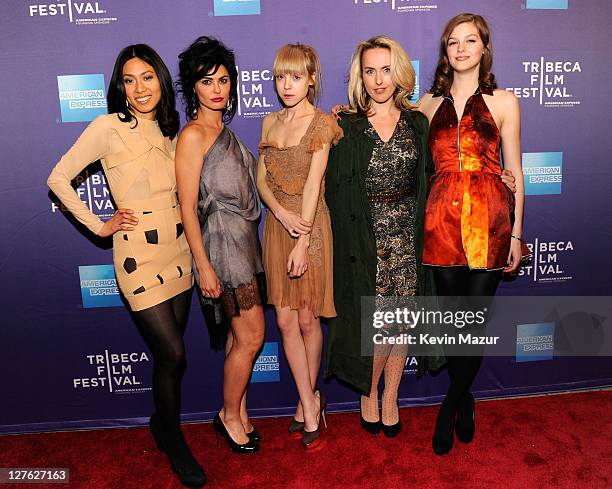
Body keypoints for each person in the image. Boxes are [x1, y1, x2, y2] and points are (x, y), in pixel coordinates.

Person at [47, 45, 206, 488]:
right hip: (138, 254)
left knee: (167, 361)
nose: (140, 88)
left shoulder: (173, 129)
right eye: (130, 80)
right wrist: (99, 225)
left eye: (148, 77)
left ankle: (161, 423)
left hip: (179, 250)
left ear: (160, 80)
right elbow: (58, 177)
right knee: (174, 352)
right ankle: (173, 439)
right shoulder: (107, 128)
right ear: (121, 86)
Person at [418, 13, 525, 455]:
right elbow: (380, 116)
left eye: (470, 41)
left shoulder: (505, 101)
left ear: (484, 48)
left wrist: (518, 235)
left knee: (474, 322)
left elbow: (515, 170)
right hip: (441, 220)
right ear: (446, 52)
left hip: (491, 219)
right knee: (453, 323)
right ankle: (464, 396)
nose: (461, 49)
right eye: (453, 42)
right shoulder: (424, 105)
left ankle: (451, 403)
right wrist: (344, 112)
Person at [325, 35, 441, 439]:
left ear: (400, 72)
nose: (378, 79)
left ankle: (391, 395)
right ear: (360, 75)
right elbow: (329, 187)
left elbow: (437, 177)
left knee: (402, 323)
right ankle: (368, 392)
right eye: (370, 70)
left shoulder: (417, 123)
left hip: (408, 232)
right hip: (365, 236)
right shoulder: (346, 126)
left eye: (386, 69)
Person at [175, 36, 264, 455]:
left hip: (244, 245)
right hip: (221, 250)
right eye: (207, 80)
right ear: (193, 85)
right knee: (251, 338)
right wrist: (203, 266)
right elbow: (187, 209)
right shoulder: (193, 136)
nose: (217, 89)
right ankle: (228, 416)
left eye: (224, 80)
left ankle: (238, 409)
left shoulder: (221, 130)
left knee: (237, 337)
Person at [256, 43, 341, 449]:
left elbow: (313, 184)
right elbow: (260, 181)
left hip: (311, 229)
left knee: (308, 321)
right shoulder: (269, 122)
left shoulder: (322, 124)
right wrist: (280, 214)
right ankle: (310, 401)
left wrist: (302, 238)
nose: (286, 85)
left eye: (295, 77)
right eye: (279, 77)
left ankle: (307, 403)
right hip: (276, 227)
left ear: (311, 78)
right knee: (285, 322)